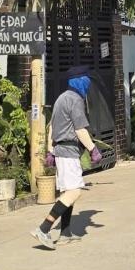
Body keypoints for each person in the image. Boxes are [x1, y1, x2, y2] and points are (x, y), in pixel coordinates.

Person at [32, 71, 102, 249]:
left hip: (60, 151)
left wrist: (51, 151)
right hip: (69, 151)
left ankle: (65, 233)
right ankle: (44, 228)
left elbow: (51, 127)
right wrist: (93, 149)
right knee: (75, 192)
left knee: (67, 193)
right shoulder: (75, 100)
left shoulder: (61, 98)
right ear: (80, 83)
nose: (87, 87)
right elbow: (80, 129)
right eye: (86, 83)